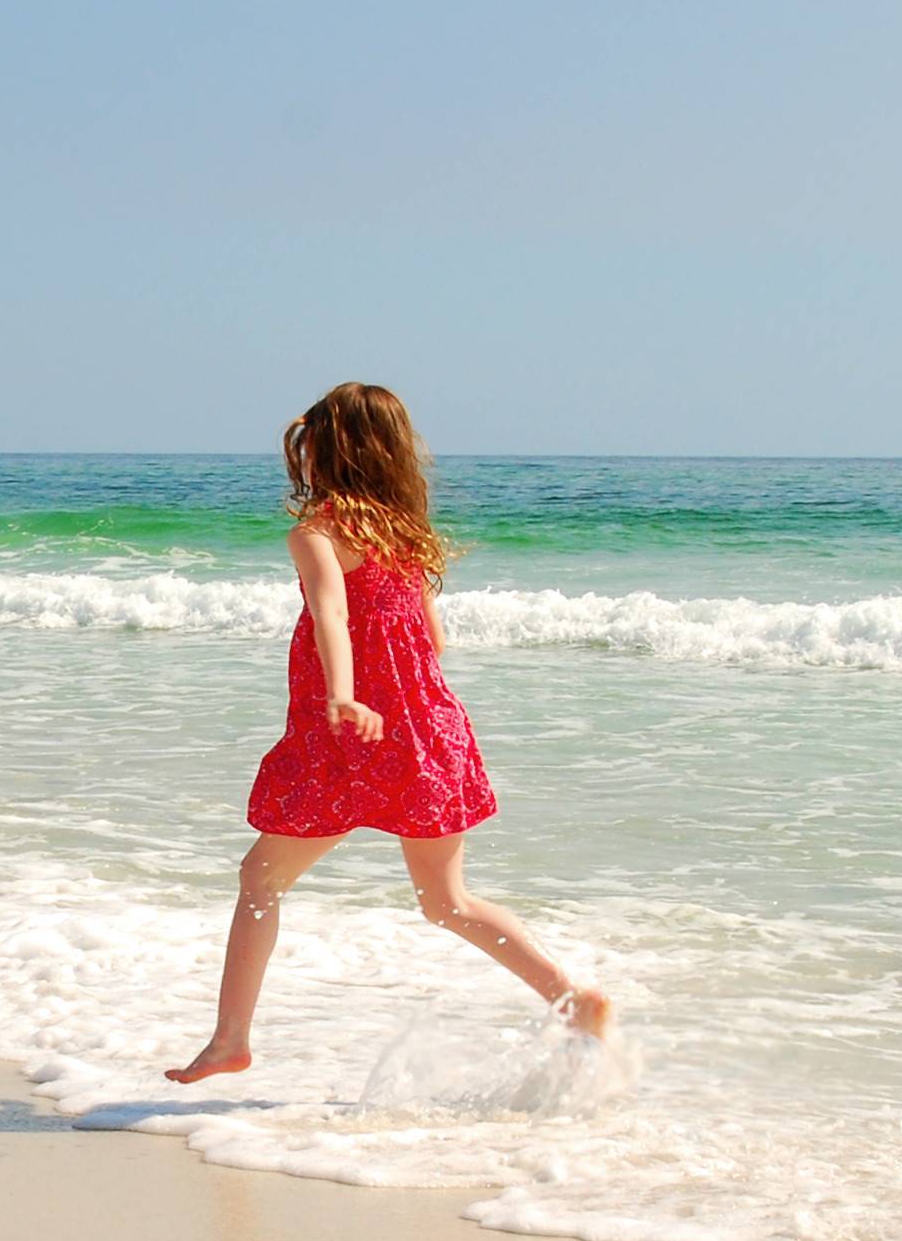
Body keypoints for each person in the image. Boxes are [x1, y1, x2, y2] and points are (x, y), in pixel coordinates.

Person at [168, 383, 611, 1085]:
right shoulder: (405, 534)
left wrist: (341, 694)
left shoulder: (316, 534)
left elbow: (329, 617)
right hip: (428, 731)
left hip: (349, 739)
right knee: (448, 902)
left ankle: (229, 1040)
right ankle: (570, 997)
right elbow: (431, 639)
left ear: (322, 448)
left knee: (259, 879)